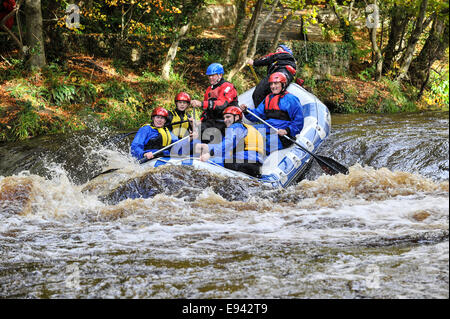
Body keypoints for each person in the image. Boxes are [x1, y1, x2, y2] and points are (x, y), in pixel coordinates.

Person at [240, 72, 304, 155]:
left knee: (261, 143)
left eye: (276, 83)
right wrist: (246, 111)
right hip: (267, 127)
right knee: (244, 132)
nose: (273, 86)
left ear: (283, 84)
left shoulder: (291, 99)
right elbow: (256, 115)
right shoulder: (268, 98)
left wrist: (287, 131)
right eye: (271, 84)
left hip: (282, 134)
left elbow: (299, 121)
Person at [197, 106, 265, 178]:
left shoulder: (235, 126)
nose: (225, 120)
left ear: (237, 117)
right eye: (224, 118)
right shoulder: (246, 128)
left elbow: (228, 143)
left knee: (209, 162)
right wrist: (208, 146)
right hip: (256, 167)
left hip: (242, 163)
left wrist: (210, 154)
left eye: (228, 117)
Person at [190, 63, 238, 143]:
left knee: (211, 135)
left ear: (220, 75)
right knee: (197, 131)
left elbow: (222, 104)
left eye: (213, 75)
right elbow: (206, 110)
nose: (210, 78)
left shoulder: (228, 87)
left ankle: (211, 150)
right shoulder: (209, 89)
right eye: (209, 76)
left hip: (226, 120)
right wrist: (201, 121)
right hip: (213, 120)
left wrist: (201, 103)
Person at [130, 107, 198, 160]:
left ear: (165, 121)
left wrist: (190, 139)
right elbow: (135, 146)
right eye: (158, 117)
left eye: (162, 118)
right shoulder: (146, 129)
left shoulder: (166, 131)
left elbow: (177, 145)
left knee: (194, 144)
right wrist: (144, 154)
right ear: (153, 118)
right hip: (150, 156)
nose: (159, 120)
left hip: (164, 155)